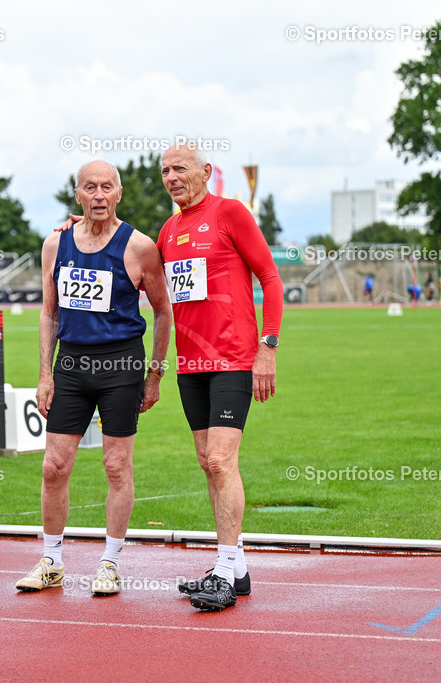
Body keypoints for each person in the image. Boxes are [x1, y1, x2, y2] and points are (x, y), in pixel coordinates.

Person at [15, 160, 172, 597]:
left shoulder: (139, 247)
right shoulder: (55, 245)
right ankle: (51, 560)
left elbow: (162, 312)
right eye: (90, 188)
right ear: (78, 194)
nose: (99, 195)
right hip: (71, 365)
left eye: (107, 187)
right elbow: (48, 313)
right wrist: (44, 374)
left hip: (121, 365)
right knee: (54, 466)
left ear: (119, 193)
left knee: (116, 465)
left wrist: (154, 374)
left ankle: (110, 562)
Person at [156, 143, 283, 611]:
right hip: (190, 366)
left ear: (205, 171)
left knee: (222, 460)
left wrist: (267, 349)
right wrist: (78, 227)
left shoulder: (230, 213)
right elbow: (124, 257)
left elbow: (270, 278)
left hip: (233, 359)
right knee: (207, 463)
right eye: (165, 171)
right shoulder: (168, 230)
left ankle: (224, 575)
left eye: (180, 168)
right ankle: (237, 567)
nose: (171, 177)